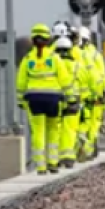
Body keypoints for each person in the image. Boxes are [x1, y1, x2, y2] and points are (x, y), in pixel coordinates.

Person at [17, 24, 72, 174]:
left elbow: (21, 83)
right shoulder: (55, 58)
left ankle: (41, 167)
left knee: (38, 132)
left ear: (33, 40)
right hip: (53, 99)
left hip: (34, 100)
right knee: (54, 130)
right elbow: (65, 80)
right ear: (48, 40)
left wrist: (21, 101)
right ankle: (53, 162)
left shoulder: (27, 59)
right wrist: (70, 98)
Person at [55, 36, 93, 168]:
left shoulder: (53, 64)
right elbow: (85, 84)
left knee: (56, 129)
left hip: (56, 101)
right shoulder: (78, 66)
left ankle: (55, 158)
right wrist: (84, 99)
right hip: (73, 101)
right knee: (70, 130)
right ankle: (68, 157)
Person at [78, 26, 105, 160]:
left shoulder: (74, 53)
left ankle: (80, 148)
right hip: (96, 94)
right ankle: (88, 149)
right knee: (94, 122)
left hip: (78, 95)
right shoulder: (95, 54)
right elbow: (102, 75)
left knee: (80, 123)